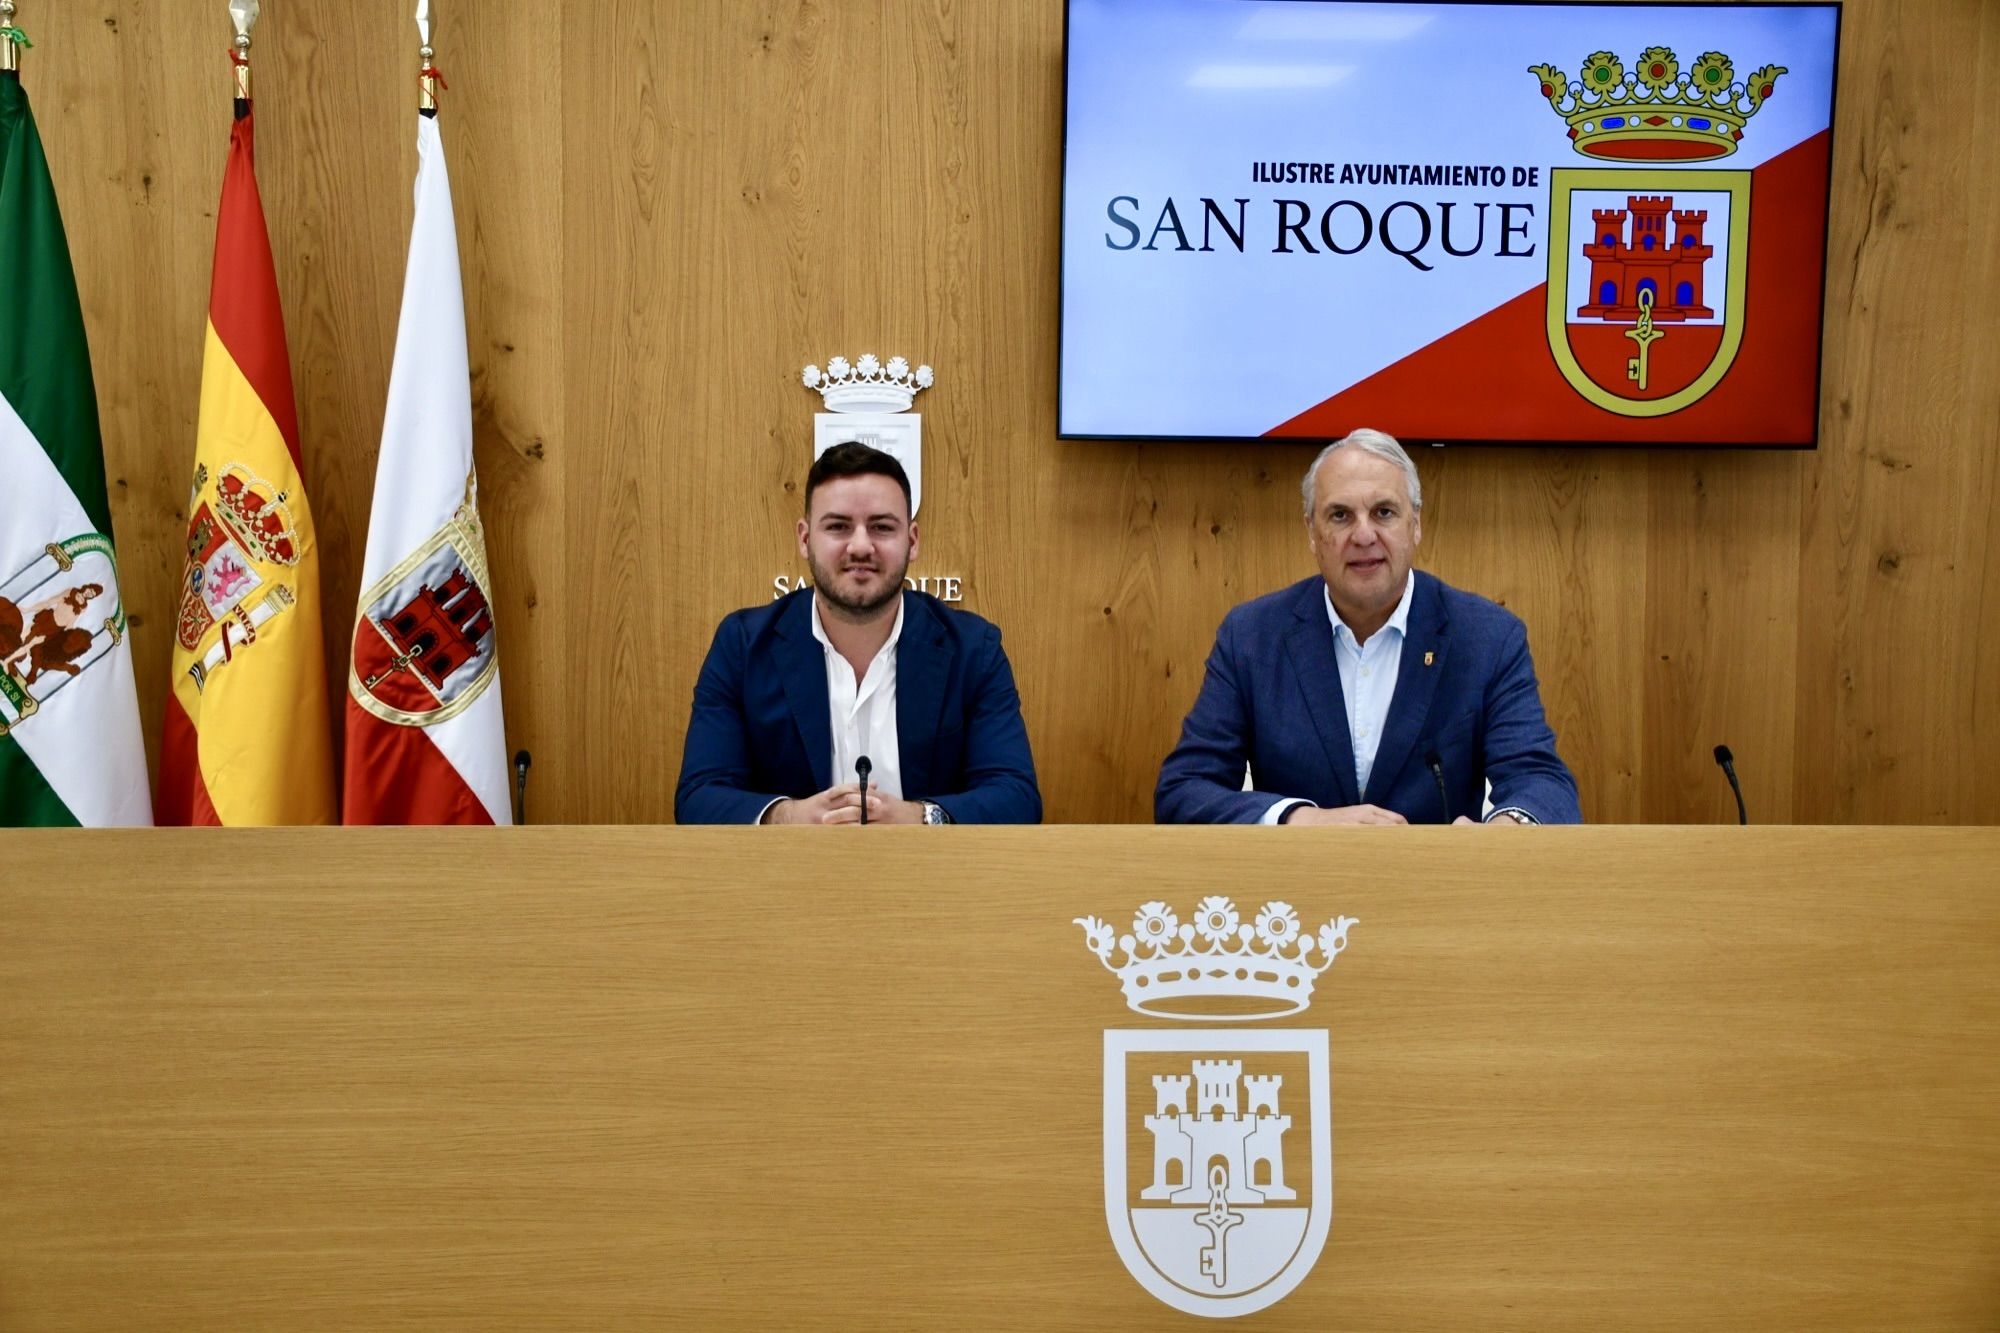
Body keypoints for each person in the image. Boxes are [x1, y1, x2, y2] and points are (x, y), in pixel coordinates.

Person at [1155, 428, 1580, 826]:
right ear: (1311, 532)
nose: (1363, 535)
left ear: (1415, 524)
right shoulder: (1252, 636)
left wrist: (1503, 831)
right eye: (1340, 515)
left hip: (1435, 890)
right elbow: (1184, 790)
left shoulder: (1487, 638)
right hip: (1297, 894)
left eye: (1384, 512)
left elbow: (1543, 783)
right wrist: (1299, 820)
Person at [676, 441, 1040, 825]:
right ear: (805, 539)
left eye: (882, 527)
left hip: (931, 877)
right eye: (838, 526)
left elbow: (1016, 797)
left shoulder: (972, 649)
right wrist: (787, 817)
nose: (861, 546)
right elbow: (699, 797)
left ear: (912, 541)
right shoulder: (743, 645)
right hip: (788, 878)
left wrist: (921, 819)